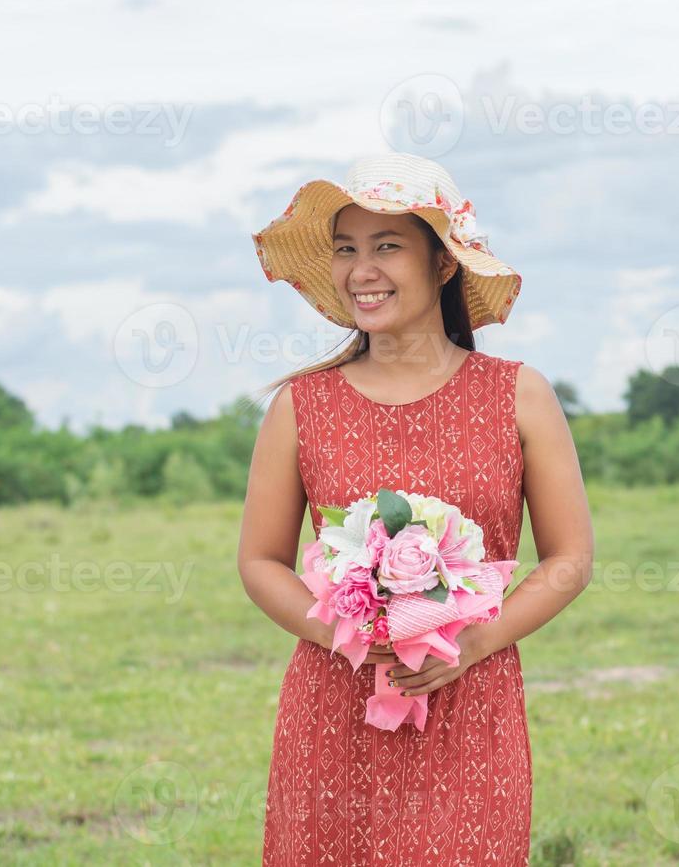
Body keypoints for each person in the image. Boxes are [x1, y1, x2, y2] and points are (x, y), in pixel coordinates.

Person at [238, 153, 595, 865]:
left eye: (387, 246)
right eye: (346, 249)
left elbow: (570, 560)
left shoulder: (520, 395)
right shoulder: (301, 406)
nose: (361, 270)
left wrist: (473, 646)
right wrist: (342, 631)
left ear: (442, 264)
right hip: (334, 700)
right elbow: (259, 561)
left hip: (471, 699)